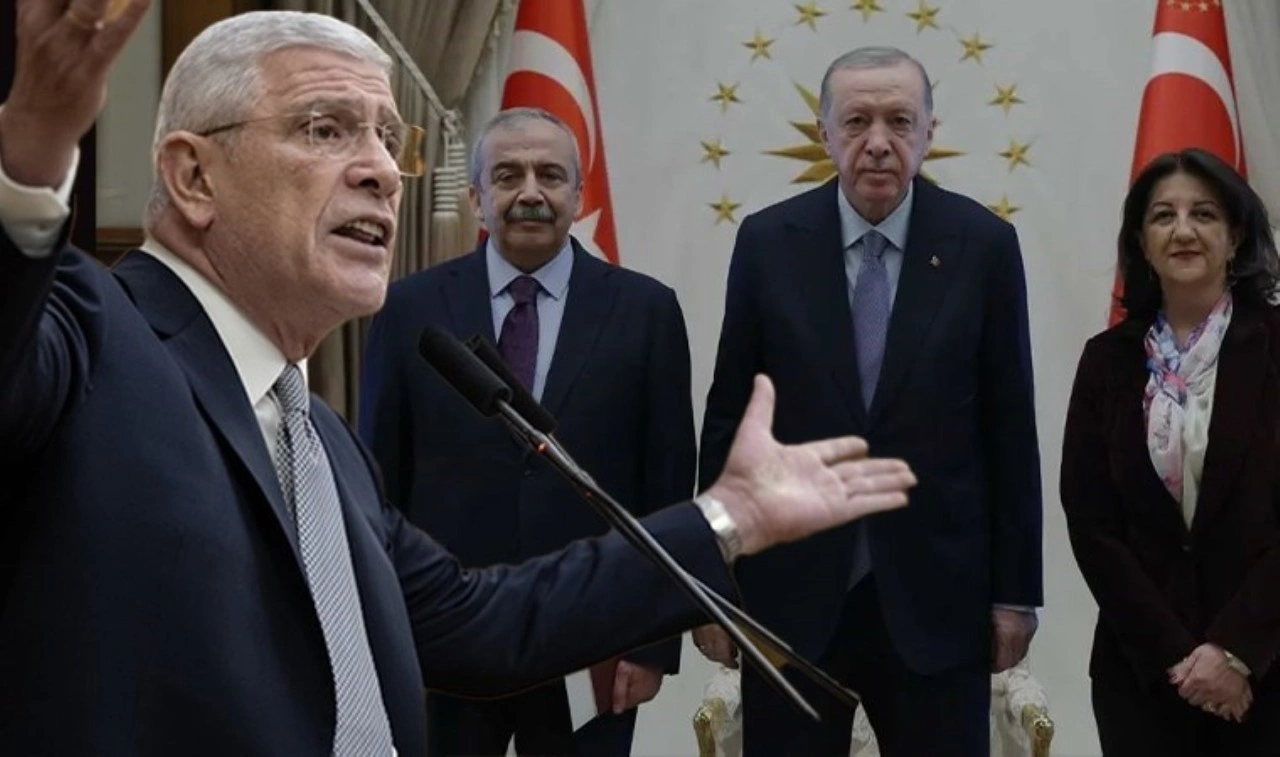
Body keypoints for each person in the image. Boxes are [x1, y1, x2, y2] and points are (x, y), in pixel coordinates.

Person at [0, 5, 918, 755]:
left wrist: (729, 516)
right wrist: (28, 151)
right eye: (325, 129)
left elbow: (487, 622)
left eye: (387, 140)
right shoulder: (91, 334)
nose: (380, 171)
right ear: (193, 176)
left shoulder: (322, 444)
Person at [694, 46, 1043, 756]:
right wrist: (712, 577)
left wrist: (1015, 594)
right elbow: (730, 418)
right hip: (790, 595)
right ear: (824, 133)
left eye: (899, 121)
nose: (878, 142)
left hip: (939, 599)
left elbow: (1009, 429)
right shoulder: (767, 242)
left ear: (928, 133)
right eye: (856, 121)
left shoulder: (983, 245)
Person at [358, 106, 696, 757]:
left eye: (550, 175)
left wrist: (654, 641)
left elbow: (666, 484)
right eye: (508, 176)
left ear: (579, 194)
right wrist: (381, 629)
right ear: (476, 198)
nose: (530, 192)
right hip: (444, 635)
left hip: (593, 636)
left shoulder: (646, 310)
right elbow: (379, 481)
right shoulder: (408, 309)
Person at [1061, 148, 1280, 756]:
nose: (1183, 230)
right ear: (1142, 241)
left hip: (1265, 672)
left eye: (1203, 214)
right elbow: (1092, 524)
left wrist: (1235, 651)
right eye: (1164, 215)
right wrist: (1178, 657)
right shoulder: (1106, 361)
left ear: (1235, 236)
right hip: (1142, 679)